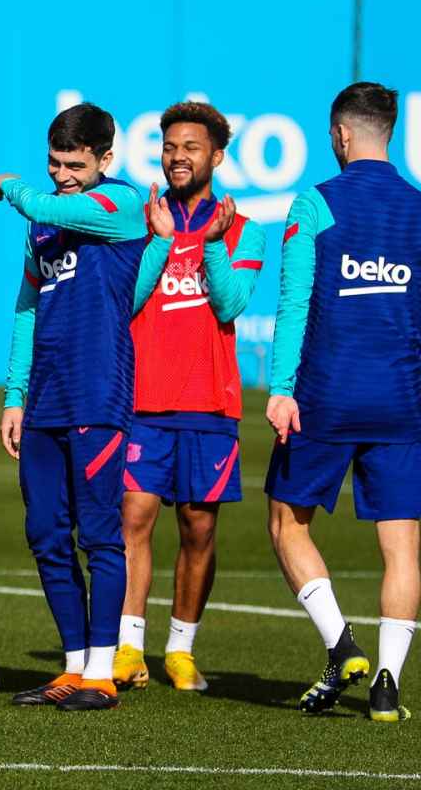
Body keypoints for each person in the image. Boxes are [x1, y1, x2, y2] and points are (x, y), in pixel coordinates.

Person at [264, 82, 421, 723]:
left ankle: (341, 644)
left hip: (327, 395)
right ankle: (387, 684)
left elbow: (294, 305)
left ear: (340, 136)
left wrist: (281, 388)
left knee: (287, 525)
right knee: (402, 548)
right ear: (390, 132)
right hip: (399, 399)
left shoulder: (315, 204)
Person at [0, 103, 148, 711]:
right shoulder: (44, 223)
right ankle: (75, 667)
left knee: (100, 534)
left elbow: (50, 204)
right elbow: (28, 308)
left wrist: (19, 190)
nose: (62, 174)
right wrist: (13, 395)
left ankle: (103, 673)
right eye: (54, 163)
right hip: (48, 398)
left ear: (105, 159)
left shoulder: (119, 204)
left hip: (99, 391)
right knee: (46, 534)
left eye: (75, 164)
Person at [114, 102, 265, 693]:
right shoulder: (139, 221)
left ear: (217, 156)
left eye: (191, 148)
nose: (178, 156)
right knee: (134, 518)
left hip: (209, 403)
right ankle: (129, 649)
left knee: (199, 529)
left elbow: (228, 303)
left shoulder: (245, 227)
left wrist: (211, 243)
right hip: (144, 399)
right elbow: (123, 303)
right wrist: (158, 239)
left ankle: (180, 649)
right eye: (170, 146)